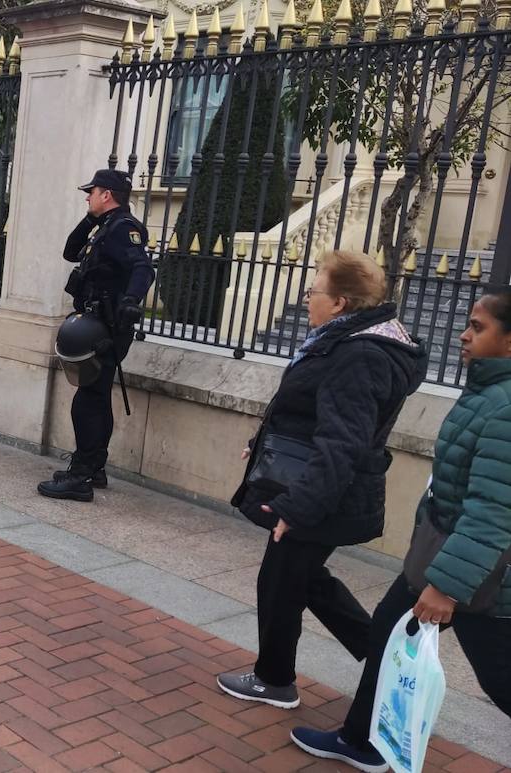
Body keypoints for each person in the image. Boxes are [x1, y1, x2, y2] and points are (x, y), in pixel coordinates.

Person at [288, 285, 511, 772]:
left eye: (478, 327)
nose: (463, 336)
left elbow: (493, 510)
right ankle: (364, 741)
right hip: (442, 555)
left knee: (502, 680)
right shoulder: (488, 393)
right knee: (388, 636)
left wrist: (446, 588)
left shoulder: (505, 409)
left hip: (478, 577)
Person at [217, 250, 427, 712]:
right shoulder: (344, 343)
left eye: (314, 290)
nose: (307, 297)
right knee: (300, 579)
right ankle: (385, 659)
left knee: (282, 579)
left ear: (340, 303)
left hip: (324, 493)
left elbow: (343, 441)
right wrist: (262, 439)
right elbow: (309, 410)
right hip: (322, 487)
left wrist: (298, 508)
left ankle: (276, 680)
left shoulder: (360, 355)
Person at [37, 169, 155, 501]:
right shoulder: (105, 227)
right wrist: (89, 220)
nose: (87, 196)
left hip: (108, 327)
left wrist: (131, 300)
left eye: (93, 192)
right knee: (97, 398)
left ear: (108, 195)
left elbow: (143, 267)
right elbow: (70, 252)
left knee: (87, 402)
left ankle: (81, 476)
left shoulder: (124, 229)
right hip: (98, 324)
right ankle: (94, 468)